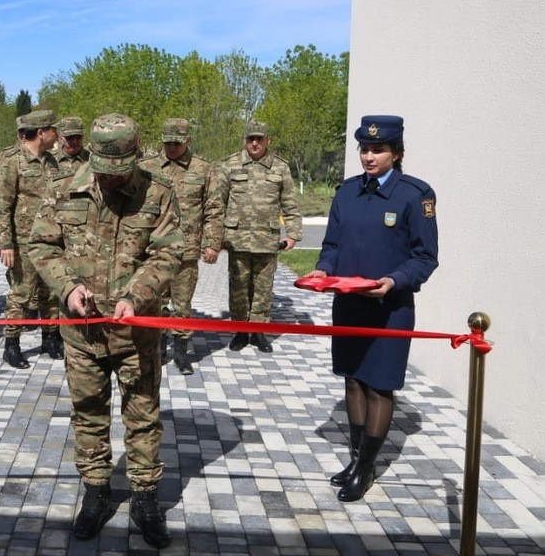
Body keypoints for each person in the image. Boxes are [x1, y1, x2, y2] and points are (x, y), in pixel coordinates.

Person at [28, 113, 183, 549]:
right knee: (89, 412)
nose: (111, 181)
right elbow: (41, 245)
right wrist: (66, 286)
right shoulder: (62, 189)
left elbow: (169, 253)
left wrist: (136, 295)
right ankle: (96, 492)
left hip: (137, 335)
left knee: (143, 415)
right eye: (103, 171)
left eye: (119, 172)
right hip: (82, 334)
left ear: (136, 155)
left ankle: (145, 497)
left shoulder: (158, 192)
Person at [302, 115, 438, 502]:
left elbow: (425, 257)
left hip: (390, 307)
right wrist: (322, 270)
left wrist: (394, 280)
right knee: (352, 379)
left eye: (378, 149)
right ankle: (356, 457)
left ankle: (365, 469)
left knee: (379, 385)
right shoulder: (346, 192)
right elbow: (331, 246)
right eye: (364, 148)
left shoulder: (415, 194)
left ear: (397, 153)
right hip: (348, 304)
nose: (368, 156)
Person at [140, 118, 223, 375]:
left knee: (182, 303)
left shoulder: (204, 169)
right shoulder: (147, 166)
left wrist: (212, 244)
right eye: (168, 143)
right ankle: (158, 346)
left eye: (177, 143)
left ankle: (180, 351)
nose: (172, 148)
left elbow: (214, 209)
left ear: (187, 141)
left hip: (186, 249)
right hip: (154, 249)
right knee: (155, 300)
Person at [218, 119, 302, 353]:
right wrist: (216, 237)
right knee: (239, 289)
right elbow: (217, 204)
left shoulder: (280, 167)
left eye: (259, 139)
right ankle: (240, 331)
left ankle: (258, 331)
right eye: (250, 138)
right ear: (244, 140)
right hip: (237, 239)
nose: (254, 143)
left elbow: (290, 204)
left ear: (267, 141)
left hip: (267, 239)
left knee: (263, 289)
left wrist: (293, 233)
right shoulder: (230, 165)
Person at [0, 109, 61, 368]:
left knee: (52, 292)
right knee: (21, 294)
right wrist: (6, 244)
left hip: (51, 241)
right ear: (41, 132)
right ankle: (12, 345)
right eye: (53, 129)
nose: (57, 134)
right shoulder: (13, 162)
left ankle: (50, 338)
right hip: (23, 243)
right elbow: (2, 206)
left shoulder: (52, 162)